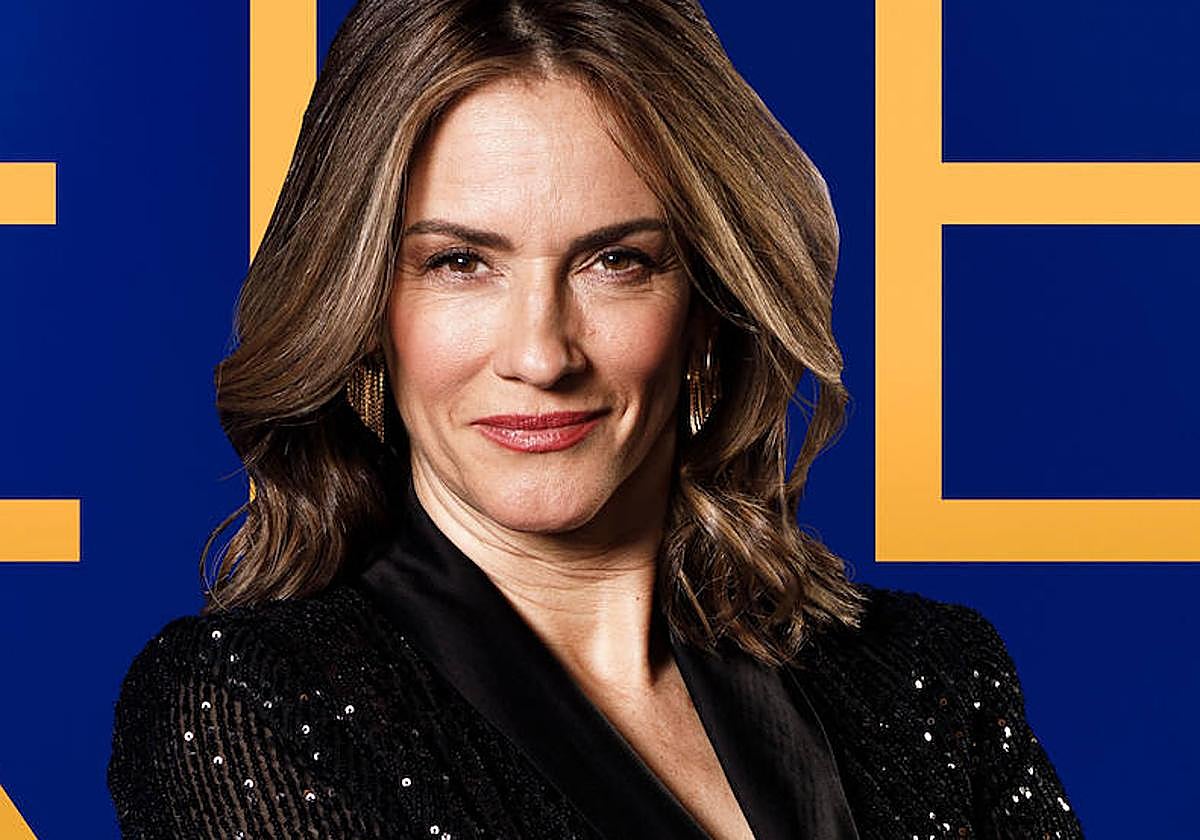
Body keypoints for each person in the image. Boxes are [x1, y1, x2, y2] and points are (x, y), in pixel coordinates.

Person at [108, 1, 1084, 838]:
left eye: (615, 261)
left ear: (706, 309)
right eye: (459, 263)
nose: (541, 354)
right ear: (365, 316)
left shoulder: (931, 679)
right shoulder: (255, 706)